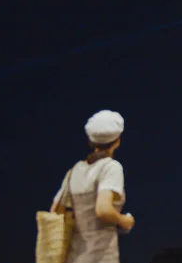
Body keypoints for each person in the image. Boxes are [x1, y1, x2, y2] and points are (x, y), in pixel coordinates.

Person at [50, 109, 135, 263]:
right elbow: (103, 209)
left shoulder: (75, 170)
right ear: (117, 141)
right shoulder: (111, 167)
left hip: (75, 256)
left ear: (91, 141)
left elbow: (56, 211)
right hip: (101, 256)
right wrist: (124, 221)